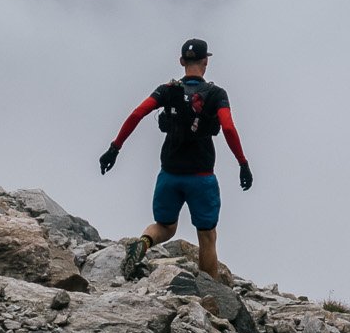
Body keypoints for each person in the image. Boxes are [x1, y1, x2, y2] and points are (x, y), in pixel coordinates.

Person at [99, 37, 252, 282]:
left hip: (169, 174)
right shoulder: (215, 94)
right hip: (201, 177)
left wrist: (114, 148)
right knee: (207, 236)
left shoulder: (167, 90)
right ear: (205, 62)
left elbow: (137, 113)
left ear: (182, 61)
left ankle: (143, 242)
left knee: (165, 226)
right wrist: (242, 163)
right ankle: (208, 293)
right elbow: (229, 128)